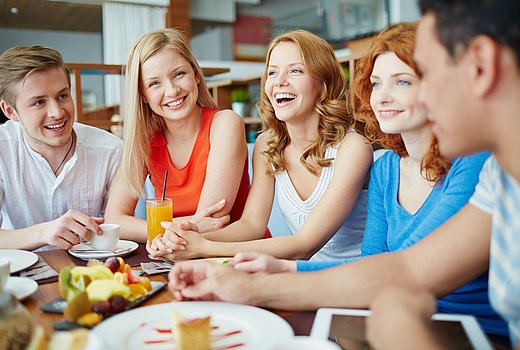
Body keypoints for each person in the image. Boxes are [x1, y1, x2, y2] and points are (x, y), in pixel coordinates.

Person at [168, 0, 520, 346]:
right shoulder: (497, 176)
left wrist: (396, 319)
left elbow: (401, 280)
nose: (387, 98)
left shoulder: (475, 163)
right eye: (377, 83)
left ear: (482, 66)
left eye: (417, 77)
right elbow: (406, 269)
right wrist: (253, 281)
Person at [148, 30, 372, 262]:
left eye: (295, 70)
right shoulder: (269, 144)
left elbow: (303, 245)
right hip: (304, 279)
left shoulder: (353, 147)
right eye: (272, 72)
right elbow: (251, 225)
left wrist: (204, 247)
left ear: (323, 81)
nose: (279, 82)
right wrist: (188, 236)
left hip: (354, 283)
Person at [104, 28, 253, 243]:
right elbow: (115, 220)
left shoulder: (225, 124)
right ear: (143, 95)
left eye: (179, 74)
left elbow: (212, 221)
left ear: (195, 75)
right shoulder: (145, 141)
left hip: (234, 256)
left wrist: (158, 231)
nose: (172, 90)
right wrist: (186, 226)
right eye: (154, 83)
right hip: (177, 256)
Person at [0, 46, 122, 250]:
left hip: (93, 271)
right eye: (39, 102)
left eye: (62, 96)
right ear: (11, 111)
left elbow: (121, 230)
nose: (57, 112)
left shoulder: (111, 151)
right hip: (20, 276)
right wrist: (43, 232)